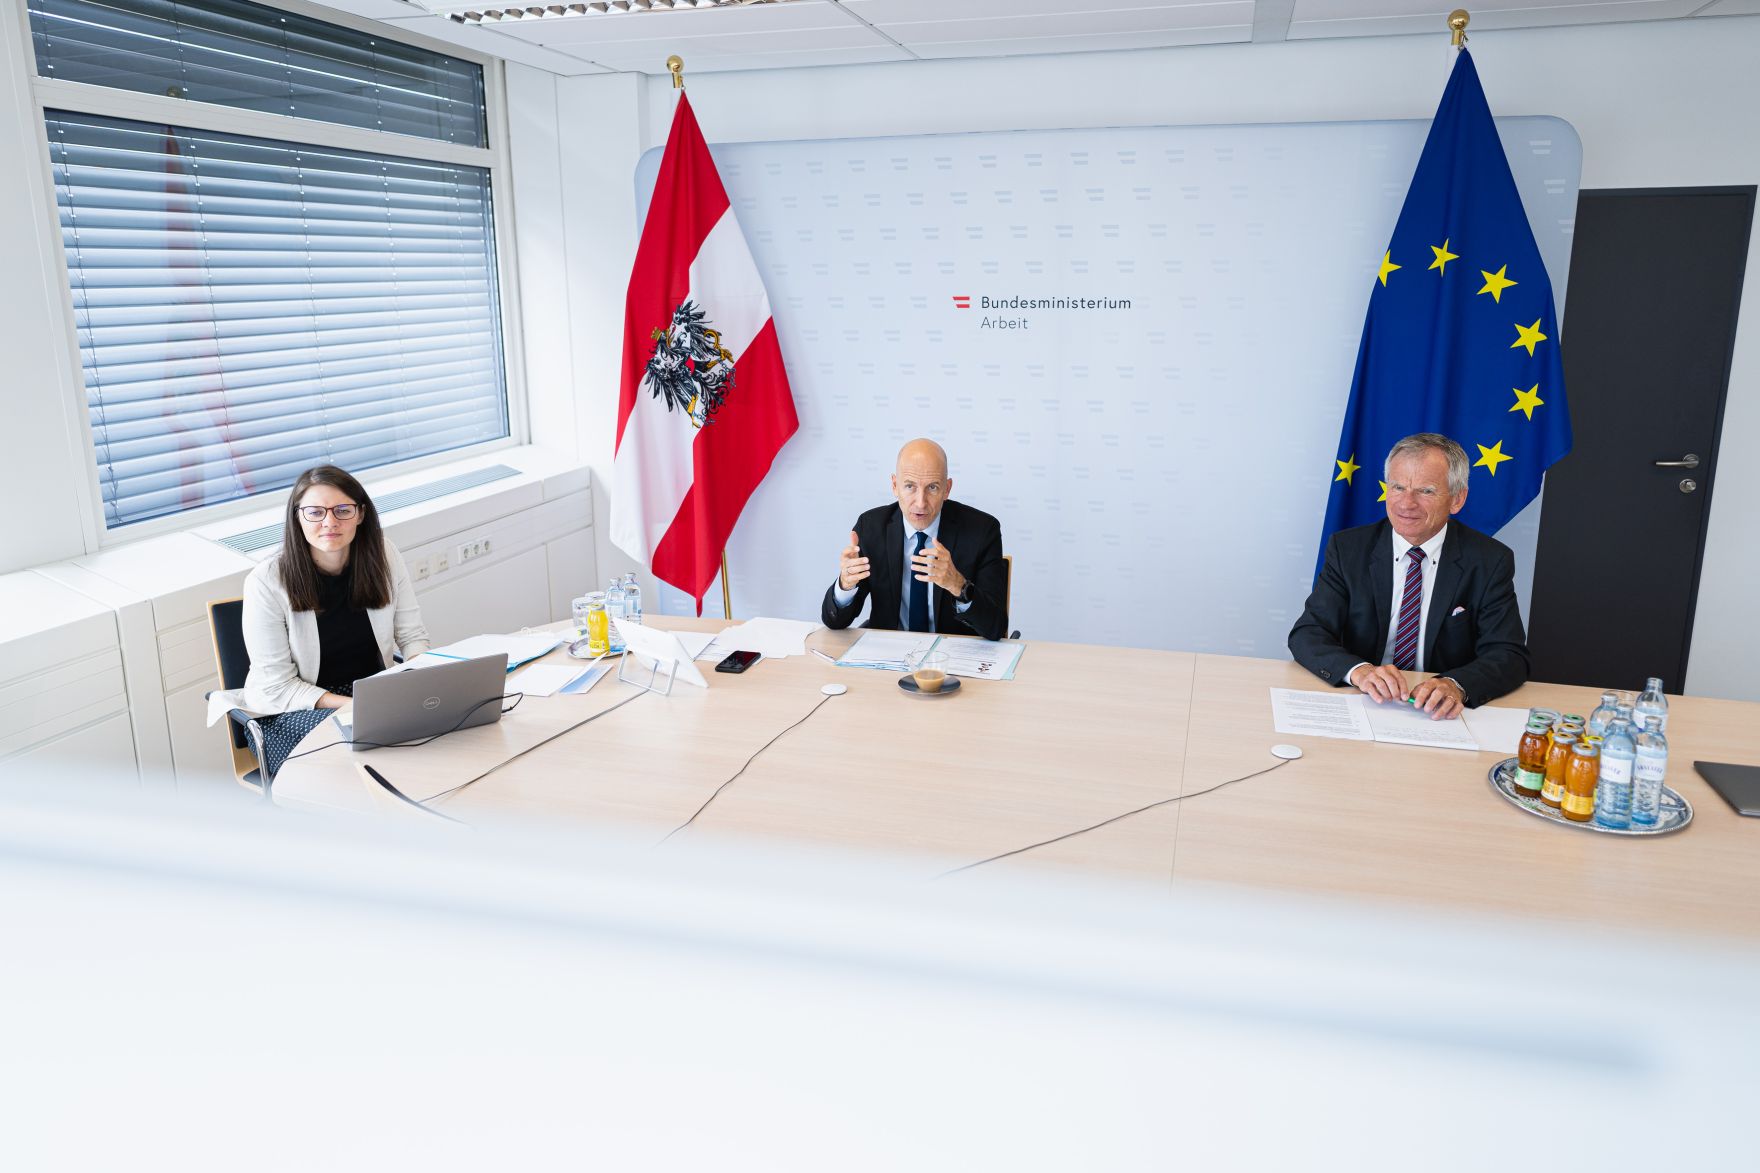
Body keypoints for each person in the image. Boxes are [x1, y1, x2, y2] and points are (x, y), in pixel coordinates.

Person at [1288, 433, 1528, 719]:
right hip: (1363, 703)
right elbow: (1308, 633)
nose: (1406, 503)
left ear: (1457, 499)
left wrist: (1455, 685)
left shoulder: (1489, 560)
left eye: (1425, 491)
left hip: (1439, 714)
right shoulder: (1348, 549)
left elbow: (1509, 655)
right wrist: (1359, 672)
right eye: (1398, 487)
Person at [212, 465, 430, 721]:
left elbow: (412, 636)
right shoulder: (266, 581)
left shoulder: (383, 555)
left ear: (360, 514)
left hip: (370, 693)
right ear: (297, 517)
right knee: (371, 747)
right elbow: (278, 686)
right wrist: (359, 706)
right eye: (315, 512)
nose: (330, 522)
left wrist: (422, 677)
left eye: (342, 510)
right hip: (295, 705)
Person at [822, 438, 1009, 642]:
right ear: (895, 486)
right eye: (910, 486)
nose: (920, 503)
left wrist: (958, 584)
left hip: (952, 660)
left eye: (933, 488)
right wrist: (845, 586)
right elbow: (835, 621)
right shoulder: (871, 527)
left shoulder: (982, 531)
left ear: (947, 489)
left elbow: (995, 627)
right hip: (888, 657)